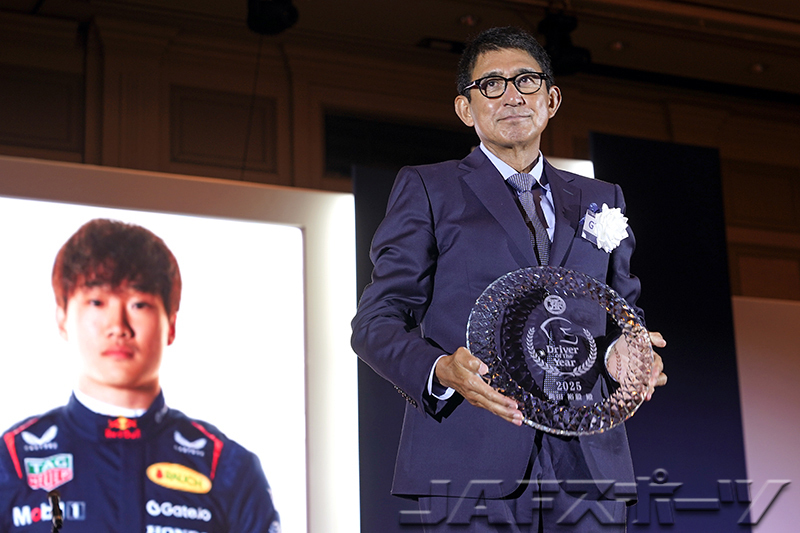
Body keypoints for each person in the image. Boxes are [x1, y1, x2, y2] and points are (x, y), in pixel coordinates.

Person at [351, 26, 666, 532]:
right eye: (491, 84)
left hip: (588, 468)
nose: (512, 95)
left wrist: (628, 353)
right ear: (465, 108)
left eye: (526, 80)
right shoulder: (429, 187)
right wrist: (440, 369)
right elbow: (376, 322)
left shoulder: (601, 197)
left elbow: (621, 313)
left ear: (551, 99)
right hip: (468, 459)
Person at [0, 219, 280, 533]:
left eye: (139, 304)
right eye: (97, 302)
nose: (118, 326)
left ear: (171, 324)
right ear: (62, 318)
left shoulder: (227, 468)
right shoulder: (9, 463)